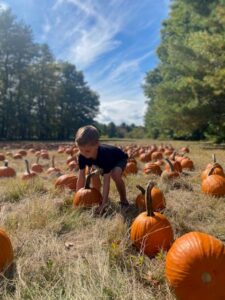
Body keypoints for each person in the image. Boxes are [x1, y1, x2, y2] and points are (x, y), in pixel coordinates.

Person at [75, 125, 129, 214]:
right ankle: (98, 198)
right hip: (98, 162)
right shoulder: (82, 156)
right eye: (81, 150)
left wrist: (104, 204)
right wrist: (77, 196)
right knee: (92, 175)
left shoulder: (105, 156)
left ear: (97, 144)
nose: (84, 154)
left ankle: (123, 200)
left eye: (87, 151)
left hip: (118, 159)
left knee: (115, 175)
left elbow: (106, 182)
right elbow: (81, 177)